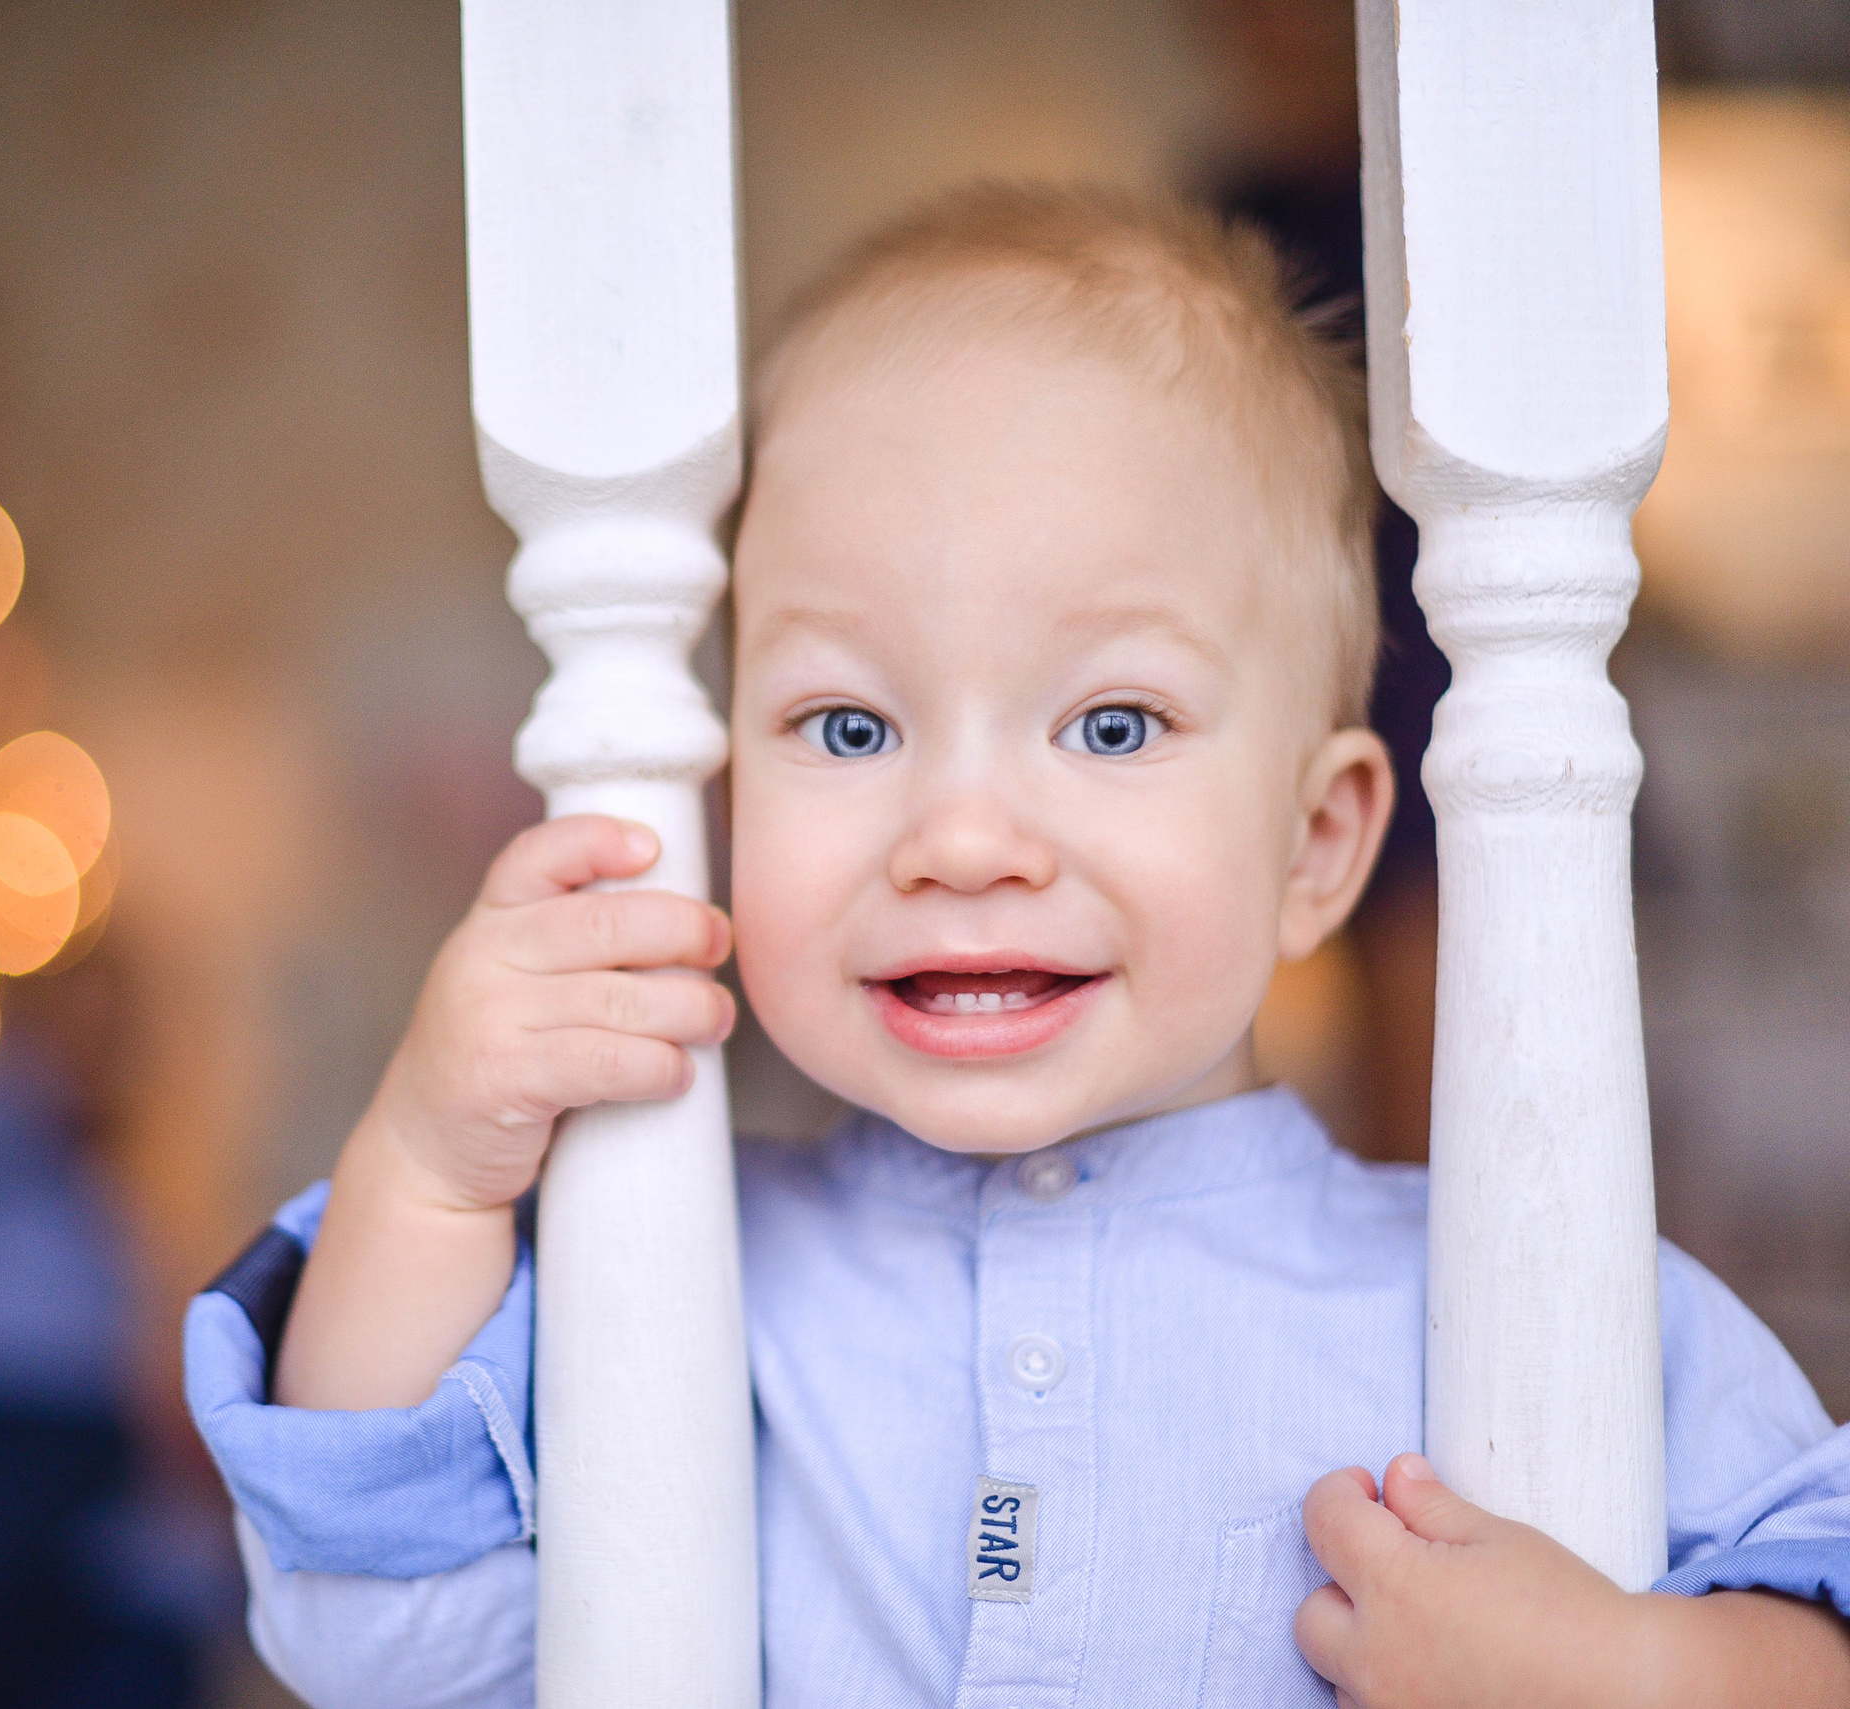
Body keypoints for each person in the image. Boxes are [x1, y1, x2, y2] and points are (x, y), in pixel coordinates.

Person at [184, 184, 1850, 1707]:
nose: (963, 838)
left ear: (1318, 841)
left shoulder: (1517, 1292)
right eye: (846, 725)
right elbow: (379, 1633)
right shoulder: (672, 1259)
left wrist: (1645, 1669)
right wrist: (429, 1167)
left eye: (1112, 723)